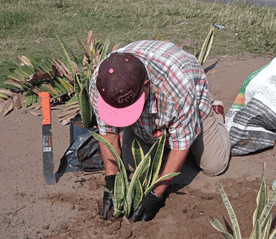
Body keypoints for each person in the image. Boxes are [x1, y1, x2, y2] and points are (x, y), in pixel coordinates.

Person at [89, 40, 230, 222]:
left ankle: (216, 114)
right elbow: (108, 131)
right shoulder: (102, 83)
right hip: (148, 119)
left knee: (214, 166)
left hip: (192, 104)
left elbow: (181, 144)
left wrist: (156, 194)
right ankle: (161, 136)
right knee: (132, 166)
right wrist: (111, 180)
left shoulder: (176, 87)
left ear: (147, 84)